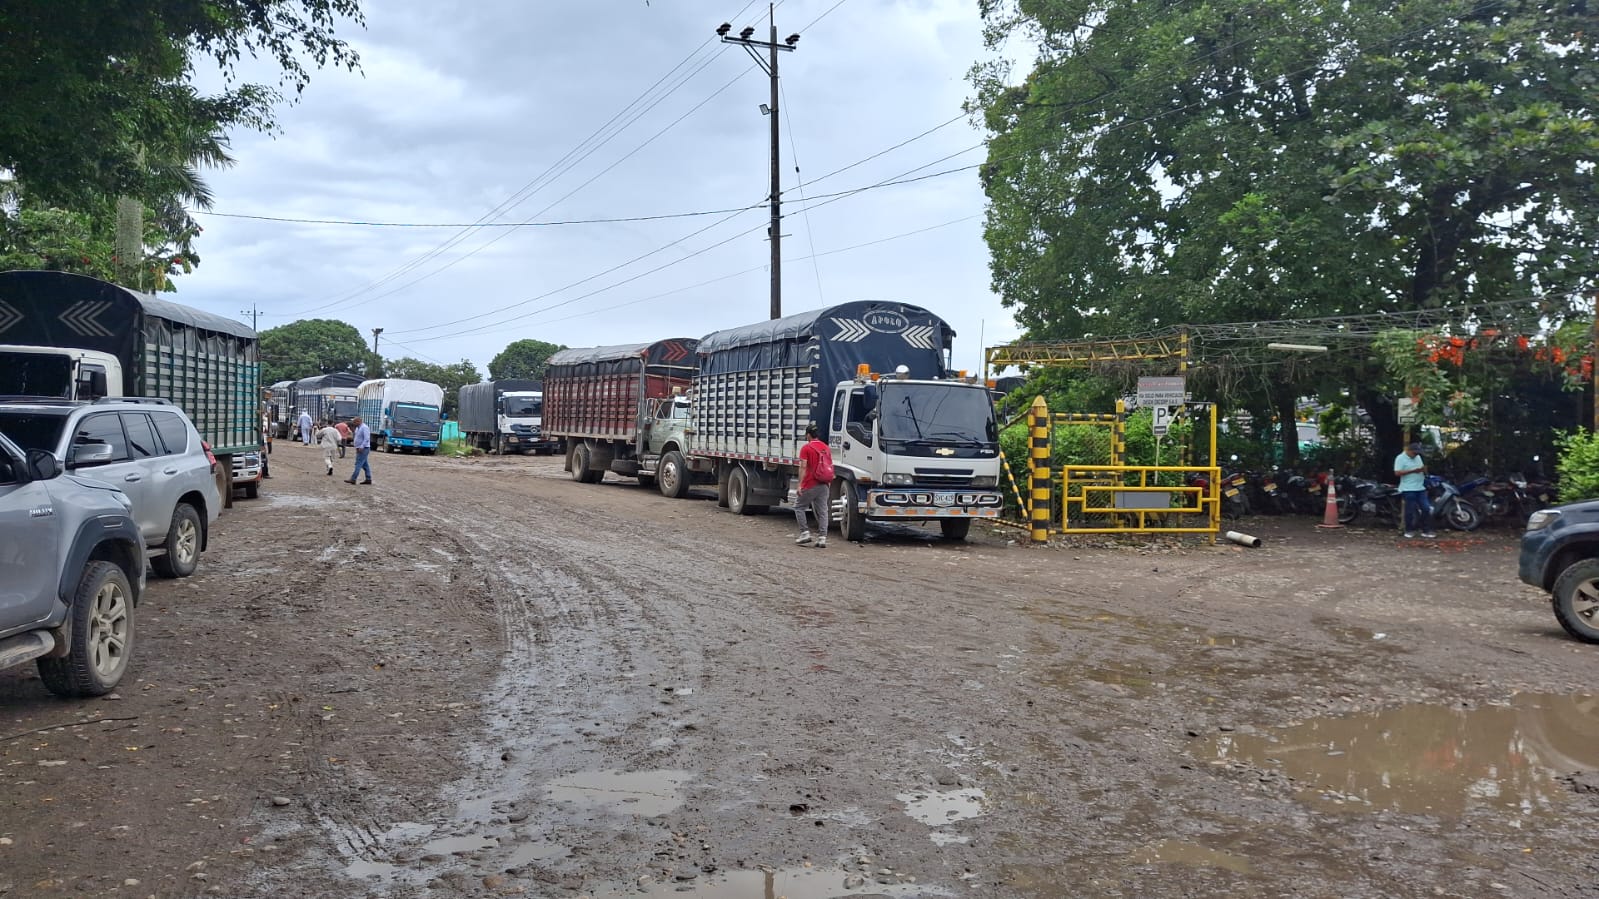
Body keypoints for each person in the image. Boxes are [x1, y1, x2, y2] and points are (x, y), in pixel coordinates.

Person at [793, 423, 832, 548]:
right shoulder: (826, 447)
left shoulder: (806, 448)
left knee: (799, 507)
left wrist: (799, 485)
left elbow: (803, 466)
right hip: (824, 483)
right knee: (823, 511)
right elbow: (829, 466)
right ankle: (822, 538)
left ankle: (805, 533)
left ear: (808, 435)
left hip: (810, 483)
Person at [1394, 440, 1434, 539]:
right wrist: (1413, 471)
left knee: (1426, 508)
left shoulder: (1418, 457)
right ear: (1409, 451)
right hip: (1408, 488)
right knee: (1410, 510)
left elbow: (1421, 469)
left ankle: (1426, 530)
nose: (1416, 455)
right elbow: (1397, 473)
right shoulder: (1400, 458)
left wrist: (1424, 471)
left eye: (1417, 454)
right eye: (1414, 453)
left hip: (1420, 487)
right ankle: (1409, 530)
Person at [346, 415, 373, 485]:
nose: (353, 423)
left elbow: (366, 438)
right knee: (365, 464)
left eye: (354, 422)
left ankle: (353, 478)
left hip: (364, 448)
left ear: (359, 421)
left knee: (358, 463)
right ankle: (368, 478)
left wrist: (362, 446)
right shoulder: (358, 428)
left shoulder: (364, 428)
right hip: (360, 448)